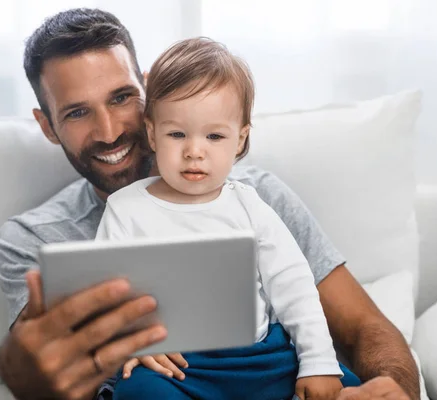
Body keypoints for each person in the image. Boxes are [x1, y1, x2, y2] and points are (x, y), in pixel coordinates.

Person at [0, 7, 420, 400]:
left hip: (259, 356)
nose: (108, 132)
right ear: (47, 125)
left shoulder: (256, 196)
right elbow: (49, 377)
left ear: (146, 93)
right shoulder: (33, 239)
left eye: (121, 96)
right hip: (173, 373)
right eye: (76, 113)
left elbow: (355, 321)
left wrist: (388, 387)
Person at [94, 37, 359, 400]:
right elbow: (105, 298)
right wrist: (134, 340)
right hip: (178, 365)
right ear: (152, 133)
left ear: (240, 140)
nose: (194, 151)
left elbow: (293, 286)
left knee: (345, 386)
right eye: (177, 134)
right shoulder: (125, 209)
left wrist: (317, 361)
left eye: (214, 136)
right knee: (139, 389)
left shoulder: (250, 206)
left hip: (260, 356)